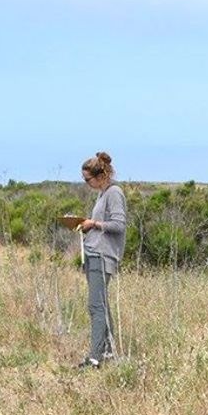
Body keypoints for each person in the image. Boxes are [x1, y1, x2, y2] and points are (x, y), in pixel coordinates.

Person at [76, 151, 127, 369]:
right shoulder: (103, 193)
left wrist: (94, 224)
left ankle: (95, 357)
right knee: (101, 305)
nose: (86, 183)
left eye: (87, 179)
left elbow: (119, 225)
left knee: (96, 306)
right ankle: (108, 351)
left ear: (100, 175)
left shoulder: (114, 193)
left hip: (103, 256)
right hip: (94, 253)